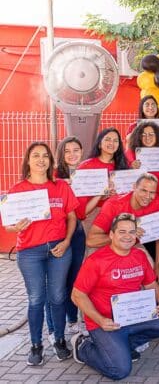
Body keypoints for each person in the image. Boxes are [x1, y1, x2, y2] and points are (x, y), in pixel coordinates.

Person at [70, 213, 159, 380]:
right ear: (111, 235)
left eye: (132, 232)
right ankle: (83, 347)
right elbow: (77, 295)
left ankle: (125, 345)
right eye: (122, 232)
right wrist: (100, 320)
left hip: (132, 317)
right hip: (106, 322)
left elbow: (151, 285)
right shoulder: (96, 261)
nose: (128, 236)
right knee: (119, 371)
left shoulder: (139, 256)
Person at [2, 142, 78, 365]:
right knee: (36, 299)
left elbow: (72, 217)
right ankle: (36, 345)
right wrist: (15, 228)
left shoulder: (61, 187)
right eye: (35, 156)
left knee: (57, 297)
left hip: (59, 249)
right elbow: (8, 225)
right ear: (27, 160)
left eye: (45, 156)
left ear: (50, 161)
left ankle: (59, 340)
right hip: (30, 252)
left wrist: (66, 242)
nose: (41, 160)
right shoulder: (17, 190)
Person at [86, 173, 159, 262]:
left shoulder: (157, 202)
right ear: (134, 187)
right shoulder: (114, 204)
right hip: (109, 244)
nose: (147, 196)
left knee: (150, 264)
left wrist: (158, 265)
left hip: (133, 245)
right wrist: (127, 234)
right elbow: (91, 240)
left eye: (152, 192)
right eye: (143, 190)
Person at [53, 137, 86, 336]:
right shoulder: (54, 176)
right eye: (67, 151)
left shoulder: (87, 175)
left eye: (76, 149)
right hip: (57, 233)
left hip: (78, 232)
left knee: (74, 277)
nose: (72, 154)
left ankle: (73, 320)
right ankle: (55, 326)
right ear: (60, 154)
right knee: (59, 281)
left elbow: (81, 211)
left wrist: (102, 191)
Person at [76, 128, 129, 221]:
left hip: (119, 213)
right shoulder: (86, 166)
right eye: (108, 139)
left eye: (115, 141)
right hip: (94, 213)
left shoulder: (123, 165)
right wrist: (101, 193)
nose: (111, 143)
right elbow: (80, 201)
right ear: (99, 144)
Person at [125, 121, 159, 195]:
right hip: (137, 197)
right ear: (139, 137)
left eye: (151, 134)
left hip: (157, 197)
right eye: (143, 135)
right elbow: (123, 178)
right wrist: (131, 168)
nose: (148, 137)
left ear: (157, 136)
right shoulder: (130, 153)